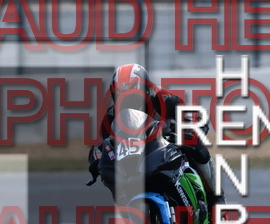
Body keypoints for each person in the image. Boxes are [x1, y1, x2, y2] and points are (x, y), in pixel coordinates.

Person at [88, 63, 226, 209]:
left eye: (133, 95)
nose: (127, 101)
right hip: (134, 162)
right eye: (121, 96)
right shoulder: (111, 116)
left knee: (196, 146)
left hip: (168, 149)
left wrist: (189, 128)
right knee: (111, 176)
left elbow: (191, 115)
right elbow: (98, 146)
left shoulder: (164, 98)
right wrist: (97, 161)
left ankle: (216, 196)